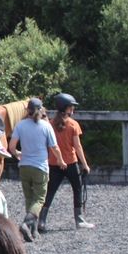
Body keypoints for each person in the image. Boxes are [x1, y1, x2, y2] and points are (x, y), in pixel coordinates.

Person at [8, 97, 62, 242]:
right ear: (42, 110)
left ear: (28, 111)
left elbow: (12, 147)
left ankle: (33, 230)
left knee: (29, 198)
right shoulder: (46, 126)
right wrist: (61, 160)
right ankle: (26, 223)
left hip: (24, 166)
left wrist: (18, 153)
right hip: (40, 167)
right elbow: (54, 147)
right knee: (39, 199)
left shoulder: (20, 125)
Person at [39, 93, 94, 233]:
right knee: (77, 189)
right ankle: (79, 220)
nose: (73, 110)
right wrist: (85, 164)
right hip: (70, 163)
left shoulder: (49, 124)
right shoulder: (73, 124)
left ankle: (42, 221)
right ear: (65, 108)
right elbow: (78, 147)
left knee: (50, 191)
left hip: (53, 163)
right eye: (71, 107)